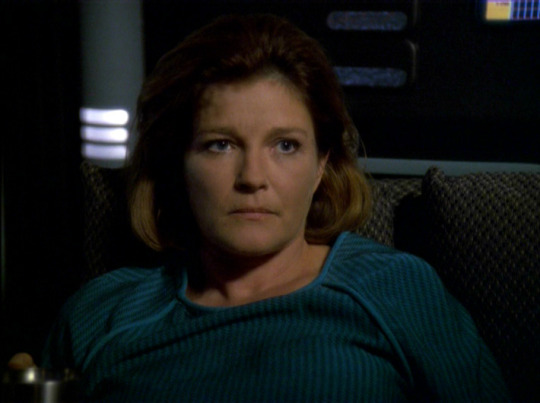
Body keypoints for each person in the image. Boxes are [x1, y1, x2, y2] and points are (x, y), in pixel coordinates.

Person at [12, 14, 508, 402]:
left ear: (321, 165)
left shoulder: (397, 290)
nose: (252, 178)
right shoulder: (101, 314)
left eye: (285, 146)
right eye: (220, 145)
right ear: (177, 165)